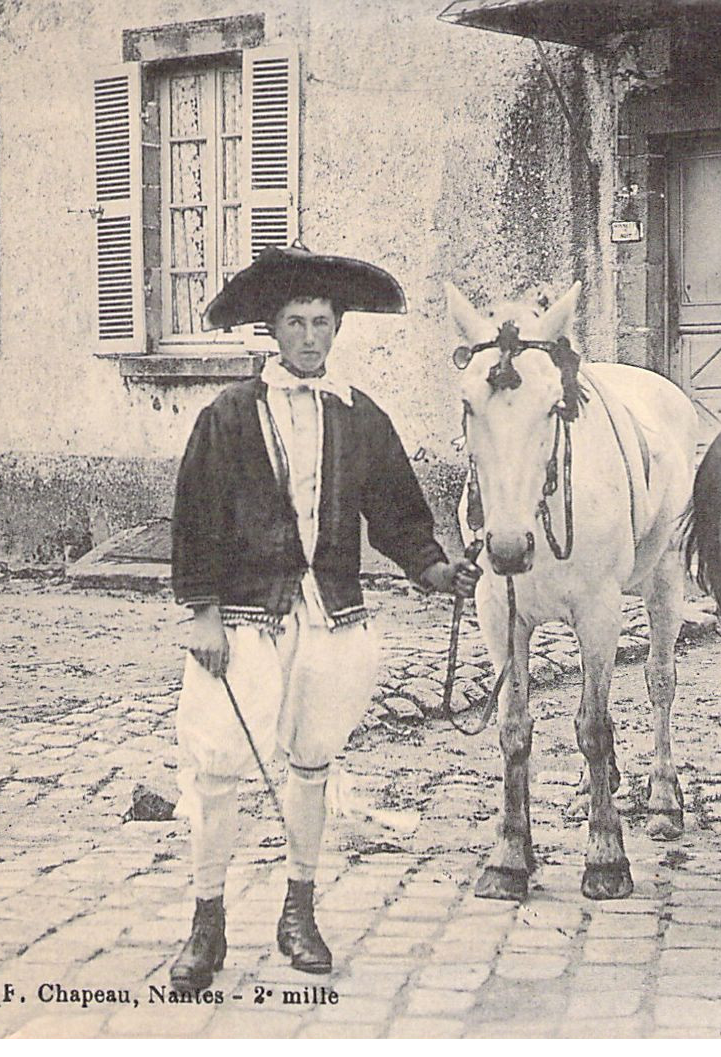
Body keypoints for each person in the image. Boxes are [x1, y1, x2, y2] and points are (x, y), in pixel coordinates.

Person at [168, 245, 480, 992]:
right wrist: (202, 613)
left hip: (331, 616)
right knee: (217, 767)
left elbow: (398, 510)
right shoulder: (229, 416)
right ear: (271, 331)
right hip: (244, 617)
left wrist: (434, 568)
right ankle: (205, 924)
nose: (309, 337)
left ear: (337, 329)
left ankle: (298, 910)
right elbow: (195, 519)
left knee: (311, 764)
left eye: (321, 323)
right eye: (295, 323)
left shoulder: (359, 416)